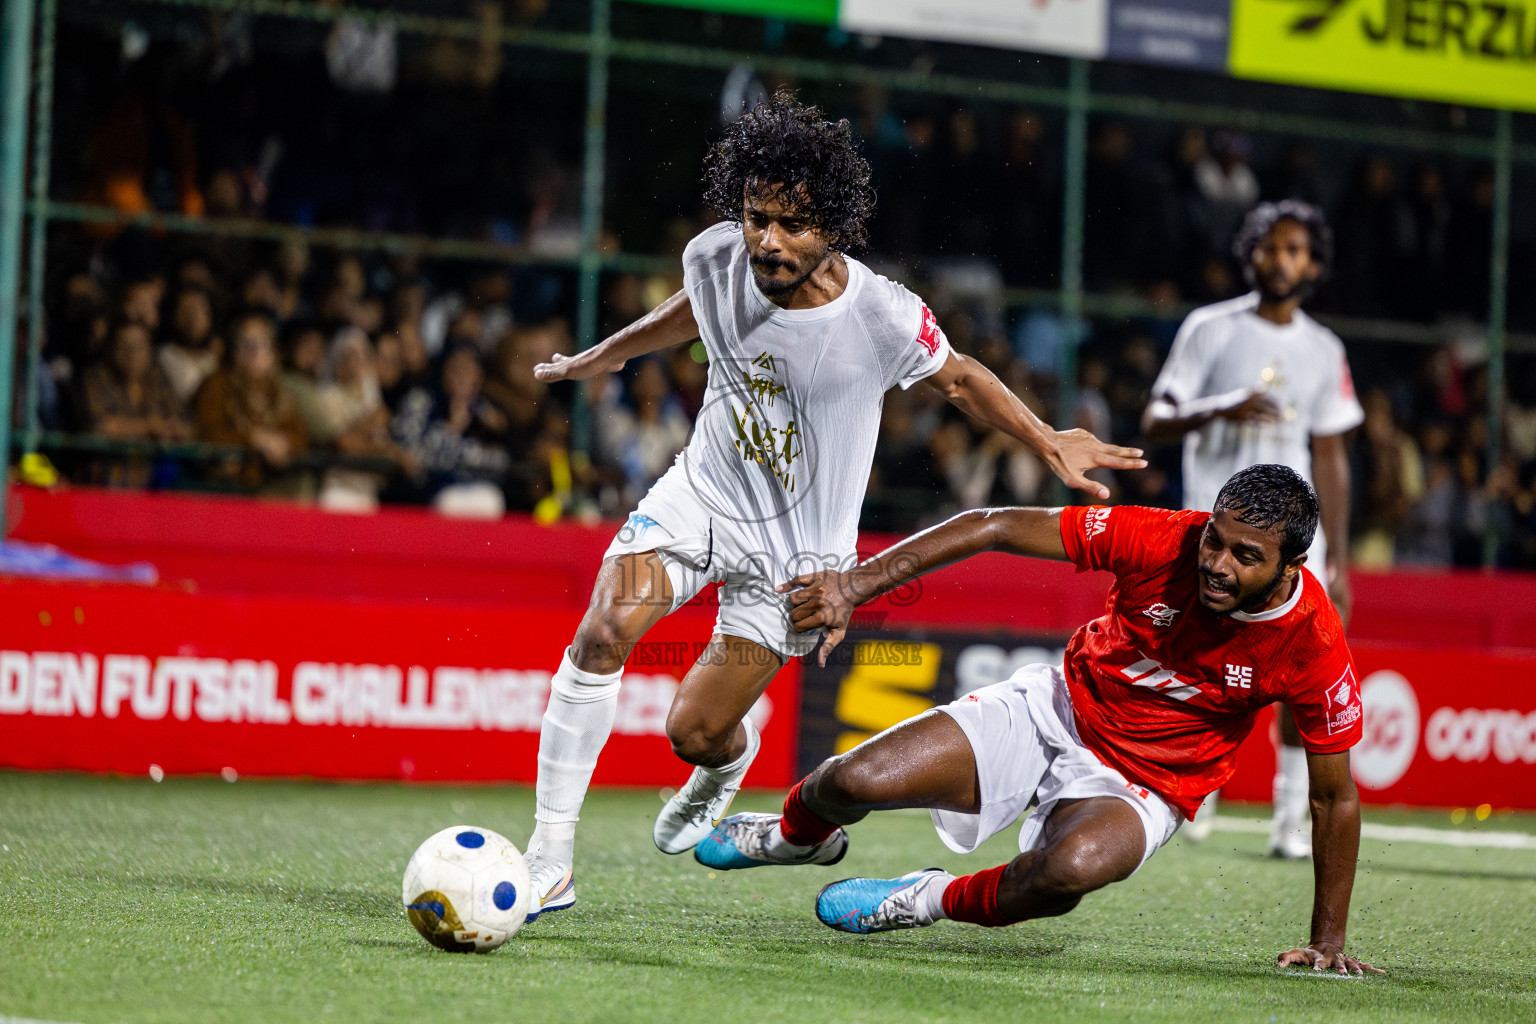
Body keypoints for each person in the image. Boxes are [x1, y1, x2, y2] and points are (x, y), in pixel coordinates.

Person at [517, 89, 1144, 921]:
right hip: (701, 498)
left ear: (834, 226)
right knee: (602, 633)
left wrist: (1045, 438)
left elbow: (960, 379)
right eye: (756, 218)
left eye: (792, 224)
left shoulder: (881, 314)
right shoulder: (716, 255)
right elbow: (695, 310)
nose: (768, 241)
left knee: (693, 732)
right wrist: (602, 357)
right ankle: (550, 860)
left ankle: (723, 764)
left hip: (798, 561)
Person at [697, 466, 1383, 977]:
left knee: (1065, 873)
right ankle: (794, 837)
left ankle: (926, 898)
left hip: (1151, 782)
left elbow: (1335, 797)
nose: (1216, 565)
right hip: (1056, 708)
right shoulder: (1160, 538)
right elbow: (992, 523)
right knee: (852, 780)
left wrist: (1328, 941)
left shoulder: (1314, 642)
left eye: (1245, 556)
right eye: (1215, 541)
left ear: (1293, 565)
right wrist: (855, 584)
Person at [1139, 201, 1363, 858]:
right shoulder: (1210, 328)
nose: (1280, 260)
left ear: (1313, 264)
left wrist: (1338, 557)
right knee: (1195, 665)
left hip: (1291, 544)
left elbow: (1331, 456)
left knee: (1303, 672)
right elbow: (1155, 419)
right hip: (1210, 537)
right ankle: (1192, 793)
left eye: (1295, 250)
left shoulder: (1324, 348)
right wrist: (1222, 407)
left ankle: (1291, 819)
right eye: (1270, 246)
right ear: (1250, 253)